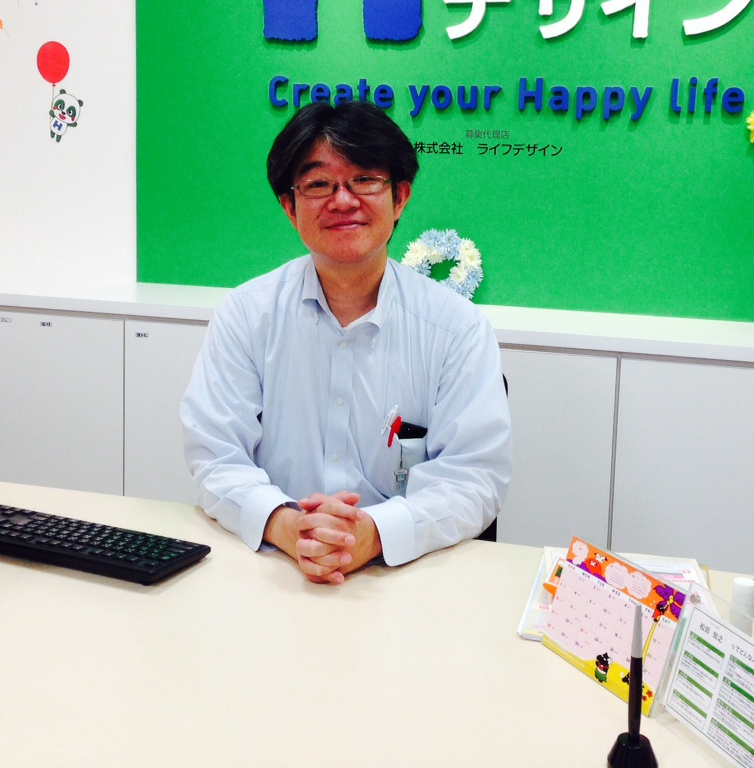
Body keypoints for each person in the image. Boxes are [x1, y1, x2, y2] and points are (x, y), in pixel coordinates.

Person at [181, 101, 512, 584]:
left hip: (406, 577)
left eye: (365, 180)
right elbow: (214, 456)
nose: (342, 200)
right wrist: (288, 527)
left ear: (400, 197)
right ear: (289, 207)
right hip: (274, 570)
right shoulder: (246, 315)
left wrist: (373, 535)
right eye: (318, 184)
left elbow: (474, 478)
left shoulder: (456, 329)